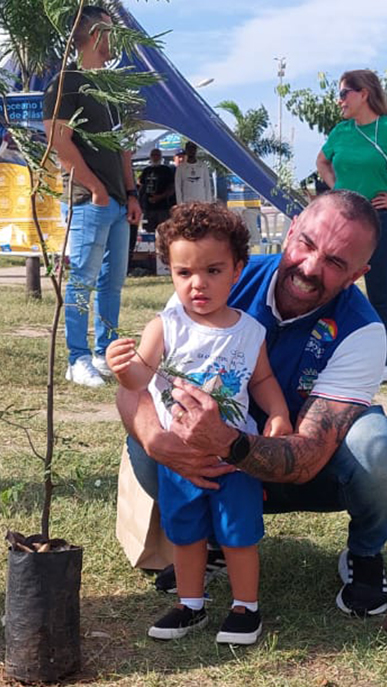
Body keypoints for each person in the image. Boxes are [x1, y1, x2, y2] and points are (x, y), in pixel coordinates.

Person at [117, 190, 387, 620]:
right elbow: (136, 387)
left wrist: (229, 441)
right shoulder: (212, 275)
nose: (311, 268)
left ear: (357, 274)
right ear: (290, 230)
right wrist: (152, 437)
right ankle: (212, 541)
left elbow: (311, 454)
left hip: (305, 469)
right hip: (219, 463)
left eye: (335, 262)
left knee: (379, 447)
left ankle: (364, 554)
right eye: (307, 244)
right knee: (146, 449)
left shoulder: (363, 329)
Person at [107, 202, 292, 645]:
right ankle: (190, 604)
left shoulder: (249, 332)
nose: (198, 284)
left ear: (237, 271)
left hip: (233, 457)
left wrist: (280, 414)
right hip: (181, 456)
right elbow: (140, 379)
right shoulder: (164, 326)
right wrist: (122, 367)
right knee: (185, 533)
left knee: (238, 533)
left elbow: (263, 379)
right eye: (183, 272)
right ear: (169, 272)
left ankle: (246, 607)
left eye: (213, 270)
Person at [43, 5, 142, 388]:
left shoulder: (109, 88)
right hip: (90, 200)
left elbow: (123, 149)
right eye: (108, 29)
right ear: (89, 33)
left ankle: (104, 352)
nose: (114, 38)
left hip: (117, 202)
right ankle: (76, 357)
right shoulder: (66, 83)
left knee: (111, 283)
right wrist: (97, 188)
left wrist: (130, 193)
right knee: (81, 280)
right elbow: (58, 140)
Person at [316, 69, 387, 384]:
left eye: (343, 93)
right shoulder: (341, 131)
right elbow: (322, 162)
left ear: (363, 93)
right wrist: (336, 189)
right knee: (332, 287)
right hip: (342, 220)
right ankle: (328, 354)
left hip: (378, 219)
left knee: (381, 291)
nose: (339, 100)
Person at [138, 148, 175, 234]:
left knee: (164, 232)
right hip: (148, 208)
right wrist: (140, 203)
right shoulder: (146, 170)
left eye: (157, 155)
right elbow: (141, 187)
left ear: (161, 157)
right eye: (153, 155)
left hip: (163, 208)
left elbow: (171, 188)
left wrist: (160, 197)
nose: (155, 157)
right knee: (148, 232)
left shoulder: (166, 170)